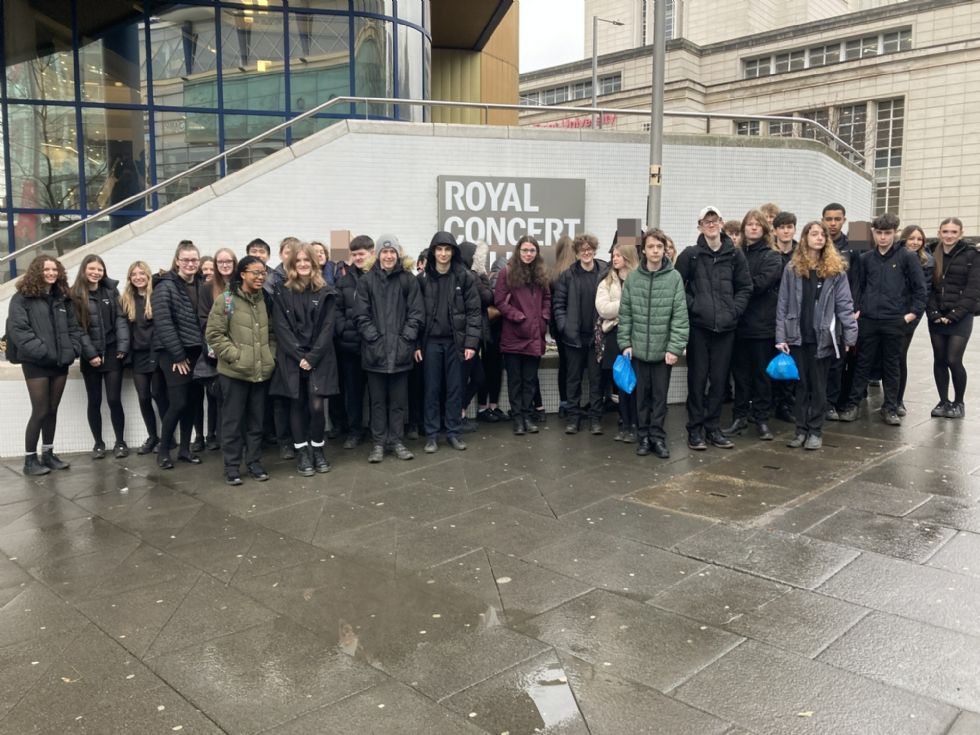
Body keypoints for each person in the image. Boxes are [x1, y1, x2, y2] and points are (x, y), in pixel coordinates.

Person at [775, 221, 858, 449]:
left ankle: (815, 431)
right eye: (814, 234)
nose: (819, 238)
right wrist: (780, 337)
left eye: (822, 235)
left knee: (819, 387)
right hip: (797, 336)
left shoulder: (836, 271)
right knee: (800, 386)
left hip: (824, 338)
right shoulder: (792, 269)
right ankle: (800, 430)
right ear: (805, 238)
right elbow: (782, 304)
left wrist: (850, 335)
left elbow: (844, 304)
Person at [675, 206, 752, 450]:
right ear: (699, 226)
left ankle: (713, 428)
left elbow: (745, 287)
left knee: (719, 381)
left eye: (714, 220)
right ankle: (695, 430)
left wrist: (734, 311)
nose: (710, 224)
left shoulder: (735, 255)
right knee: (697, 380)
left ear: (721, 223)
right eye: (705, 221)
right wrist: (695, 306)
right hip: (699, 327)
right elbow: (678, 288)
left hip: (726, 329)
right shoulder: (691, 255)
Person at [838, 213, 926, 425]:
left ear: (895, 233)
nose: (883, 237)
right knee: (862, 364)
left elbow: (920, 290)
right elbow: (858, 286)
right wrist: (857, 309)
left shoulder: (907, 257)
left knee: (892, 365)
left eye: (887, 233)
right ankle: (853, 404)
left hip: (894, 320)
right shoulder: (865, 258)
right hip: (868, 320)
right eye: (879, 233)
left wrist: (910, 315)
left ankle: (891, 407)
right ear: (873, 233)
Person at [6, 255, 82, 475]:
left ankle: (48, 454)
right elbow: (19, 331)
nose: (51, 273)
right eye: (46, 269)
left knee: (52, 409)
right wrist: (43, 352)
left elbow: (74, 328)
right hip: (36, 363)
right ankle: (30, 460)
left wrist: (72, 349)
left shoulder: (62, 298)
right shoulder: (22, 298)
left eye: (54, 269)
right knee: (39, 410)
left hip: (60, 362)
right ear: (36, 271)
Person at [205, 256, 277, 485]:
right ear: (243, 274)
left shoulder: (266, 299)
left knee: (257, 423)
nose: (261, 276)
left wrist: (270, 356)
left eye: (263, 272)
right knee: (232, 422)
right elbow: (214, 334)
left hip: (260, 372)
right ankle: (232, 467)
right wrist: (235, 356)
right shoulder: (226, 300)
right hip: (233, 373)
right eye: (255, 272)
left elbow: (273, 334)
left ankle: (254, 463)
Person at [354, 234, 424, 463]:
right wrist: (374, 340)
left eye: (392, 252)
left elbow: (416, 314)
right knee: (376, 402)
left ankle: (396, 441)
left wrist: (405, 340)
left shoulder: (408, 280)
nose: (388, 256)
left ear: (398, 254)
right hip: (374, 353)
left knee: (397, 402)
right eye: (384, 252)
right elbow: (361, 316)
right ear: (378, 254)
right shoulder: (366, 281)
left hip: (401, 353)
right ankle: (378, 444)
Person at [270, 243, 339, 475]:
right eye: (298, 261)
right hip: (292, 359)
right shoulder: (281, 291)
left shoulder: (326, 291)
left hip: (319, 358)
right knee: (297, 405)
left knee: (317, 406)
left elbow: (328, 329)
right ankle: (302, 453)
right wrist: (300, 356)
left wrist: (312, 357)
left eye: (306, 260)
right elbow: (281, 328)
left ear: (314, 263)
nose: (302, 264)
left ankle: (318, 450)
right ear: (291, 264)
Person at [618, 230, 689, 456]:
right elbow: (625, 313)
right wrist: (625, 343)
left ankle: (657, 437)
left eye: (659, 246)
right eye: (651, 247)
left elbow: (680, 315)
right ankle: (643, 437)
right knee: (641, 398)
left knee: (660, 398)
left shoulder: (674, 277)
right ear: (644, 250)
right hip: (638, 351)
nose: (656, 251)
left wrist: (674, 347)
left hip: (662, 353)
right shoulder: (633, 278)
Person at [416, 232, 482, 453]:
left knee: (455, 389)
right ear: (433, 251)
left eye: (447, 249)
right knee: (431, 389)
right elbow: (415, 314)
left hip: (457, 344)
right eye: (439, 249)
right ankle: (432, 435)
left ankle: (453, 432)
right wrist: (416, 344)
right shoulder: (423, 279)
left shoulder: (464, 277)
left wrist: (471, 344)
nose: (443, 254)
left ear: (453, 252)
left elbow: (474, 313)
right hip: (430, 344)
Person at [724, 210, 783, 441]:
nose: (753, 228)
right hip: (738, 326)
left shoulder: (772, 256)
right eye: (749, 224)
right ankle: (739, 417)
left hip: (762, 327)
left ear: (765, 229)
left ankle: (761, 419)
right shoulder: (734, 254)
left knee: (761, 376)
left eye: (758, 224)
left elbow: (759, 284)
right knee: (740, 376)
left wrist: (739, 286)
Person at [152, 240, 209, 469]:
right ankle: (164, 450)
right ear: (177, 261)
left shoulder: (202, 285)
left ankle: (185, 449)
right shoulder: (164, 287)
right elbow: (164, 324)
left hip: (198, 353)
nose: (190, 264)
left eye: (194, 259)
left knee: (194, 403)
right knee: (178, 403)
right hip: (174, 354)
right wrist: (178, 356)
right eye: (185, 259)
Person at [70, 255, 130, 459]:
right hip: (91, 356)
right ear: (84, 270)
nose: (96, 273)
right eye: (92, 269)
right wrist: (91, 354)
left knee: (114, 399)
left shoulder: (111, 291)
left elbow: (121, 320)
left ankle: (120, 442)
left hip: (113, 352)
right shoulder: (75, 295)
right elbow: (77, 328)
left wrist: (122, 346)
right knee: (94, 401)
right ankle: (98, 443)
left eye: (100, 269)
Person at [495, 235, 551, 436]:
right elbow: (500, 301)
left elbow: (547, 298)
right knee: (515, 380)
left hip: (534, 336)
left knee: (529, 379)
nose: (528, 254)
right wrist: (518, 317)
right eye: (525, 250)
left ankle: (527, 415)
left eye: (532, 250)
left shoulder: (541, 274)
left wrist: (544, 316)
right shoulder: (506, 273)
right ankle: (517, 418)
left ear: (537, 253)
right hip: (514, 335)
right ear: (518, 251)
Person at [554, 233, 609, 435]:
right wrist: (564, 327)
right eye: (582, 250)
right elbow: (558, 305)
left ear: (594, 250)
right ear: (576, 253)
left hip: (597, 336)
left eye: (589, 249)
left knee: (596, 380)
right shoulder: (567, 275)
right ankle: (573, 419)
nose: (586, 253)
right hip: (574, 337)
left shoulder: (604, 271)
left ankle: (595, 420)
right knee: (573, 379)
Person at [926, 217, 980, 418]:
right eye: (945, 232)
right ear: (939, 232)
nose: (949, 236)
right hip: (937, 316)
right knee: (939, 359)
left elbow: (973, 289)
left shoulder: (972, 255)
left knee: (953, 359)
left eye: (953, 232)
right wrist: (933, 313)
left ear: (961, 233)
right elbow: (927, 287)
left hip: (961, 317)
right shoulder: (930, 252)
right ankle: (943, 401)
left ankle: (959, 402)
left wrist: (956, 314)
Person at [121, 260, 168, 454]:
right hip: (138, 355)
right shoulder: (126, 299)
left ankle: (167, 437)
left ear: (148, 276)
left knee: (159, 394)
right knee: (144, 397)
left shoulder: (156, 296)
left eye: (142, 273)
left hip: (156, 353)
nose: (138, 277)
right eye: (134, 274)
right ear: (130, 278)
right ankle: (152, 436)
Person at [596, 241, 639, 442]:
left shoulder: (639, 279)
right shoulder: (606, 282)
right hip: (614, 336)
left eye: (619, 255)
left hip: (636, 335)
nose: (614, 259)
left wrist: (618, 310)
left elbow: (642, 308)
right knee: (620, 381)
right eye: (613, 255)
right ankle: (624, 422)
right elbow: (603, 309)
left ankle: (635, 423)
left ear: (628, 257)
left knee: (636, 381)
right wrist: (626, 305)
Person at [822, 203, 862, 420]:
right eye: (829, 219)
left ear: (844, 220)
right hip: (820, 313)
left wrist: (855, 308)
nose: (833, 223)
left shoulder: (854, 245)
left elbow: (858, 279)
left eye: (837, 219)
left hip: (843, 313)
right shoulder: (817, 242)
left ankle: (832, 402)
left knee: (839, 361)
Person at [334, 235, 375, 448]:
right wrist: (345, 332)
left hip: (375, 347)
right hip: (351, 348)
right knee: (353, 393)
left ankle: (378, 430)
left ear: (372, 253)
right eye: (355, 254)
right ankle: (355, 431)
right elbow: (337, 312)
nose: (358, 258)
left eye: (362, 253)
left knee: (377, 394)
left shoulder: (380, 278)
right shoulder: (343, 281)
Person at [897, 225, 934, 415]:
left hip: (908, 316)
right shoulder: (895, 256)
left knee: (899, 357)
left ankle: (898, 400)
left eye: (919, 239)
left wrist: (912, 317)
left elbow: (923, 293)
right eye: (911, 238)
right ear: (904, 239)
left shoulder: (926, 262)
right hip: (890, 313)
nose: (915, 242)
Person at [771, 211, 798, 422]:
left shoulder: (800, 253)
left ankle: (786, 404)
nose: (786, 231)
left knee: (789, 361)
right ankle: (768, 402)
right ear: (775, 230)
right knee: (770, 361)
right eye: (782, 227)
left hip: (792, 315)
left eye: (790, 227)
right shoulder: (769, 252)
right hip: (769, 312)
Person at [549, 235, 577, 418]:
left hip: (559, 326)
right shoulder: (575, 271)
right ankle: (574, 402)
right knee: (574, 366)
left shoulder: (553, 273)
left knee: (564, 365)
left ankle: (563, 403)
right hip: (575, 325)